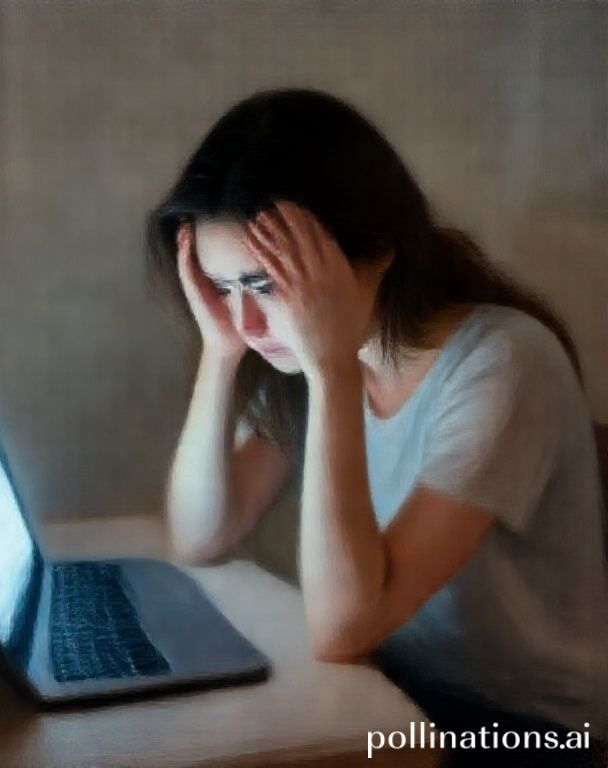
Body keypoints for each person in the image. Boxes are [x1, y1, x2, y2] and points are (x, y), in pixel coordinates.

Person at [144, 88, 608, 766]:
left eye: (266, 284)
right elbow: (200, 534)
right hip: (398, 693)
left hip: (525, 732)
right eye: (223, 288)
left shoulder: (503, 363)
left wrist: (331, 373)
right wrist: (220, 356)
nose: (247, 322)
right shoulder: (295, 352)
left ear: (377, 248)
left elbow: (341, 630)